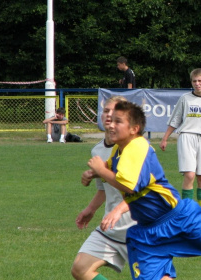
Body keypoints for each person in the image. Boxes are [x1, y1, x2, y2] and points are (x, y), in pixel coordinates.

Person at [82, 101, 201, 280]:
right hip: (148, 232)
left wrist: (100, 171)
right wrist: (94, 174)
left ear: (134, 129)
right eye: (110, 120)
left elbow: (128, 185)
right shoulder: (119, 150)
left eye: (118, 121)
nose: (110, 125)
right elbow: (110, 169)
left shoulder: (138, 147)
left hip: (179, 220)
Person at [72, 96, 137, 280]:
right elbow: (104, 188)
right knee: (80, 269)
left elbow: (141, 192)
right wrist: (91, 209)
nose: (109, 115)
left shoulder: (138, 148)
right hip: (111, 229)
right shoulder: (97, 151)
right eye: (106, 111)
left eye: (116, 112)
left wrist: (98, 172)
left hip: (139, 229)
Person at [159, 68, 201, 221]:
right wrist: (165, 138)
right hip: (186, 137)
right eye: (194, 81)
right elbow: (175, 120)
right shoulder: (185, 98)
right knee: (190, 174)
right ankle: (186, 213)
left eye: (200, 81)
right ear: (191, 82)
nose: (197, 84)